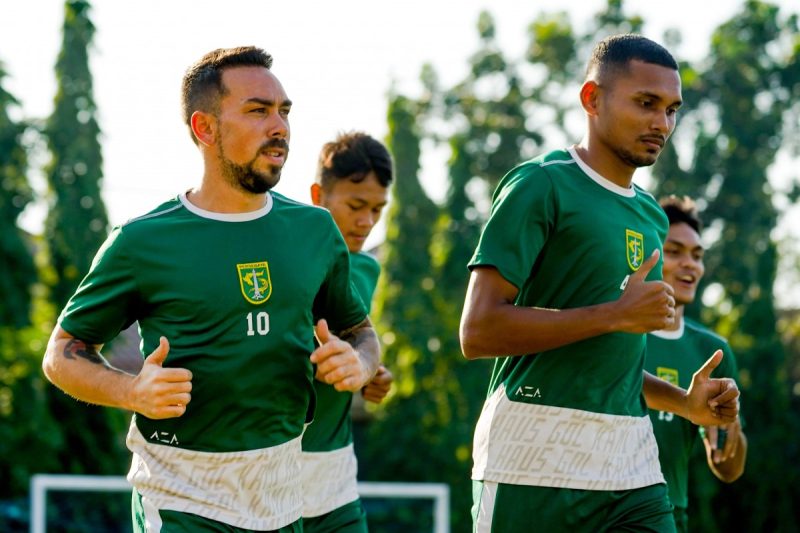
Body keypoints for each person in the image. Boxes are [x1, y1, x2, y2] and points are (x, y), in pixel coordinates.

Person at [42, 46, 380, 533]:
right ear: (204, 129)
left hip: (284, 492)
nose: (279, 126)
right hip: (182, 494)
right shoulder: (142, 241)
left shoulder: (315, 231)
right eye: (258, 111)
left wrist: (360, 361)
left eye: (284, 112)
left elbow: (359, 331)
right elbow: (62, 354)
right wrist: (132, 390)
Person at [459, 34, 741, 531]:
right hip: (532, 452)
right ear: (592, 99)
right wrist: (612, 314)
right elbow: (478, 331)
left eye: (672, 109)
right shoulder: (540, 185)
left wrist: (685, 404)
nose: (662, 123)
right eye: (646, 104)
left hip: (630, 460)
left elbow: (616, 359)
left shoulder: (651, 215)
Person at [301, 131, 395, 532]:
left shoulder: (368, 269)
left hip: (334, 473)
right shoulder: (288, 258)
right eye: (356, 205)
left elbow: (357, 342)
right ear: (318, 194)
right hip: (266, 471)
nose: (367, 221)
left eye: (377, 209)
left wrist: (368, 372)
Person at [645, 195, 747, 532]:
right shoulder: (613, 333)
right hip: (597, 511)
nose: (690, 264)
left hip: (668, 516)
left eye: (697, 255)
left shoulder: (713, 352)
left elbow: (728, 469)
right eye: (674, 252)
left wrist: (730, 427)